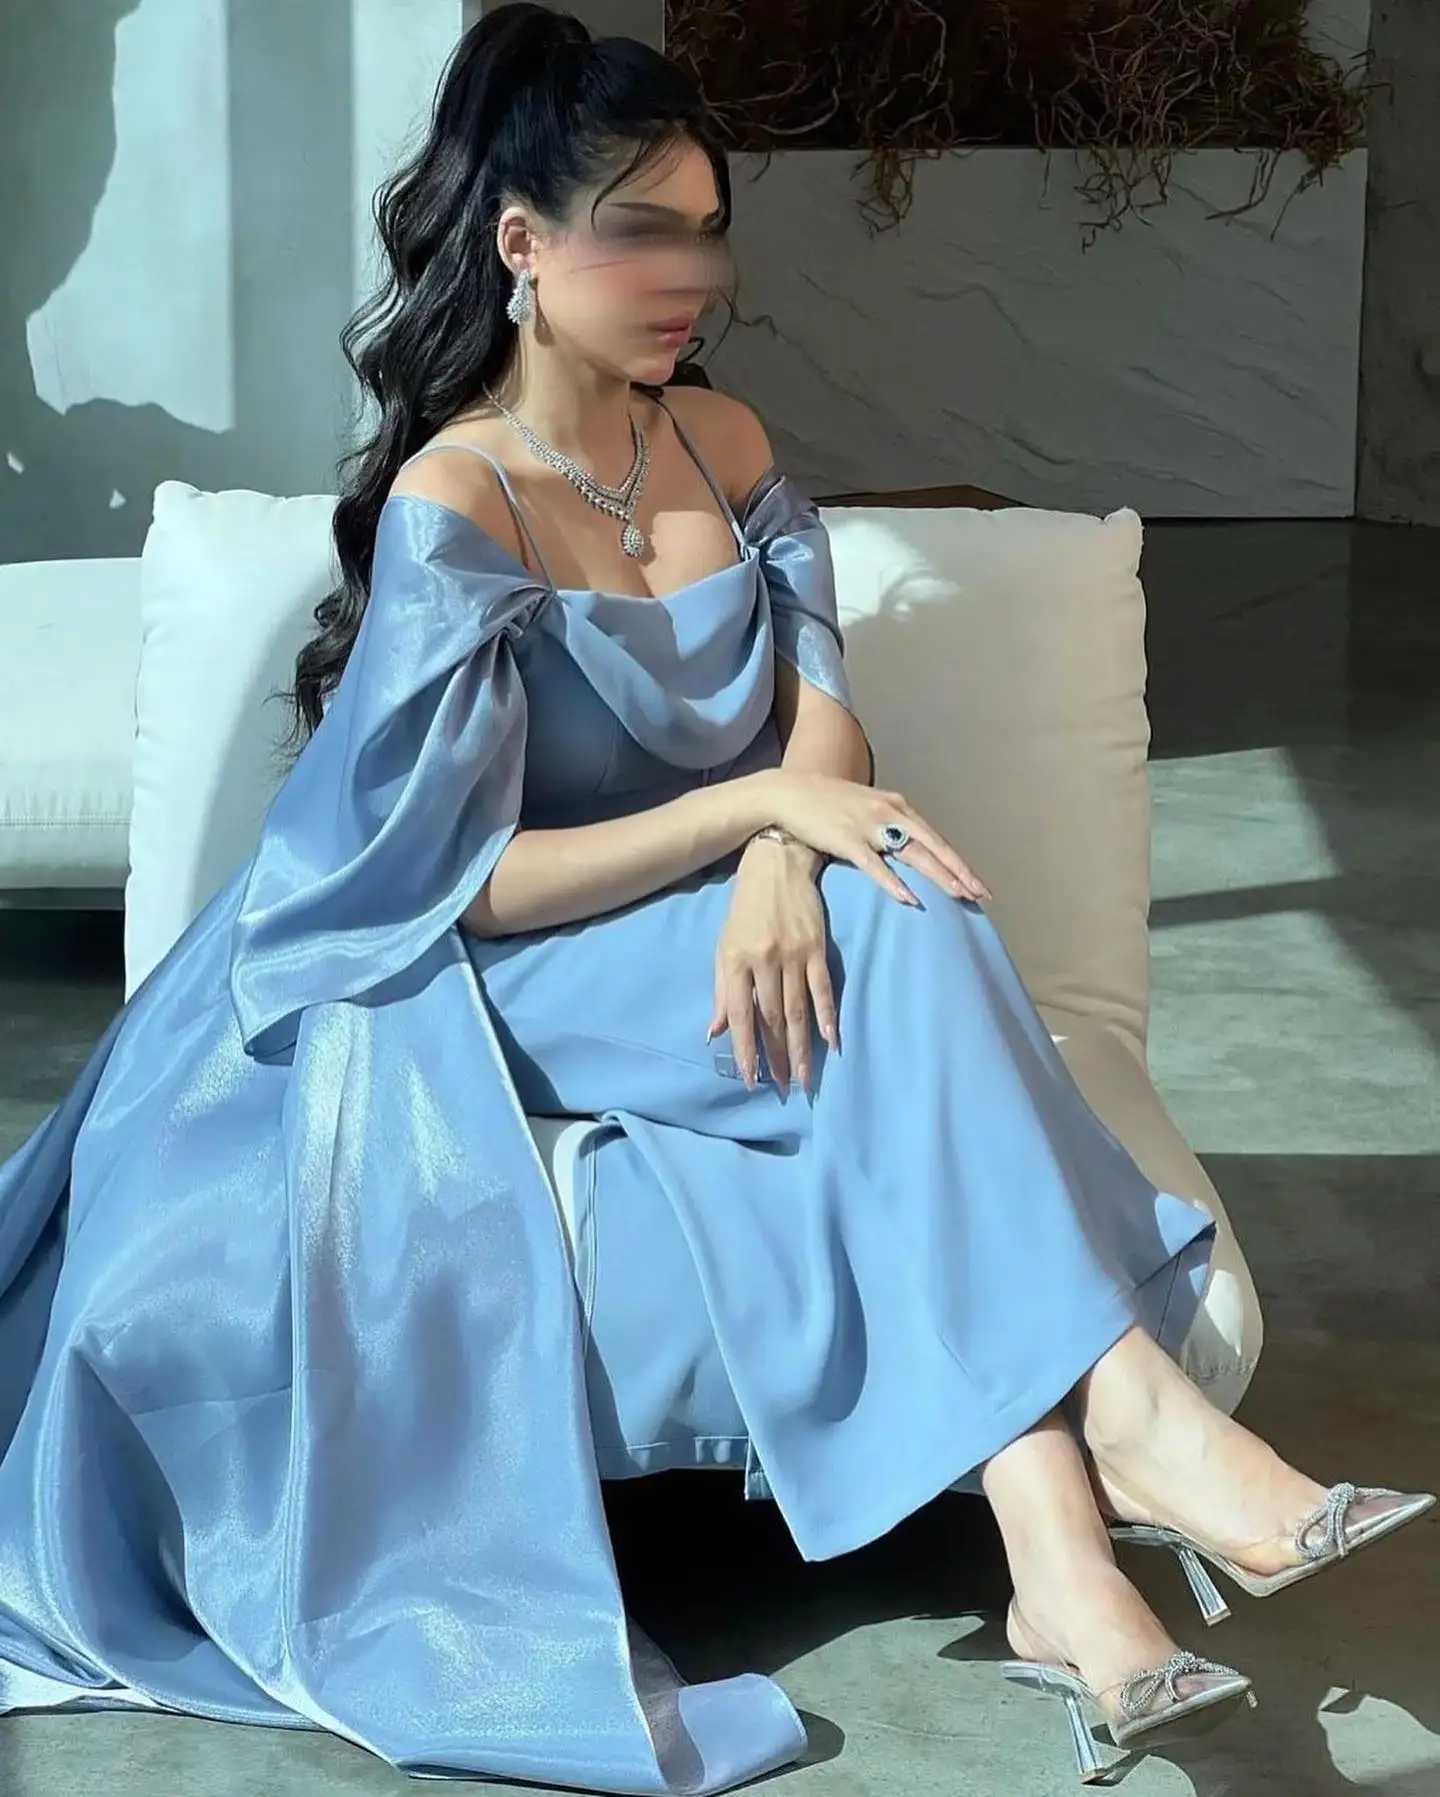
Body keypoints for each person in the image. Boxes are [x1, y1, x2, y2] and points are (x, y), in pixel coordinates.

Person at [0, 5, 1430, 1789]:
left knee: (889, 904)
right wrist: (756, 808)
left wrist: (780, 850)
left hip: (679, 924)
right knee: (902, 914)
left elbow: (832, 718)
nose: (692, 274)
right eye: (640, 231)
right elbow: (473, 880)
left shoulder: (720, 442)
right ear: (521, 247)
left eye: (705, 227)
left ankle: (1069, 1577)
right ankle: (1139, 1424)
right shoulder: (460, 501)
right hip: (462, 969)